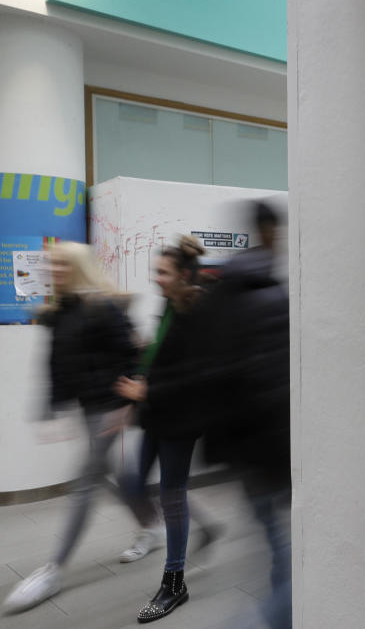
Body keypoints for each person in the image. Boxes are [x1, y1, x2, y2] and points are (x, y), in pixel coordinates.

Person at [2, 242, 161, 615]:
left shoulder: (103, 307)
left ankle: (54, 569)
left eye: (60, 264)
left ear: (77, 266)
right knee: (117, 478)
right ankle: (156, 526)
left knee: (85, 483)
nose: (53, 270)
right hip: (86, 408)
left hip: (108, 410)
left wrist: (126, 406)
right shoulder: (60, 311)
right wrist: (49, 410)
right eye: (51, 264)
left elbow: (132, 357)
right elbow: (54, 363)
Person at [199, 201, 291, 628]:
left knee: (273, 543)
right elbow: (276, 385)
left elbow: (214, 373)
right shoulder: (272, 297)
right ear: (271, 233)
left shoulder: (220, 292)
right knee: (290, 555)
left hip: (241, 451)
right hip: (272, 449)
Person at [114, 235, 210, 623]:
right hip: (155, 413)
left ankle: (174, 581)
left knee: (172, 497)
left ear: (183, 275)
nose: (156, 279)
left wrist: (148, 386)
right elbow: (163, 356)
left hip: (180, 420)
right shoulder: (170, 305)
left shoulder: (195, 311)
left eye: (163, 273)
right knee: (132, 482)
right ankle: (180, 532)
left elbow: (195, 374)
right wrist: (140, 380)